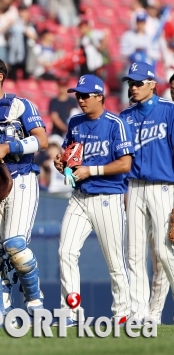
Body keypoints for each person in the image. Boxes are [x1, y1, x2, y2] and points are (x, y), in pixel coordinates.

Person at [51, 74, 133, 326]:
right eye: (78, 94)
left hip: (107, 197)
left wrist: (91, 170)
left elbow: (125, 163)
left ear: (100, 97)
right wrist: (61, 163)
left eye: (86, 95)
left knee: (115, 260)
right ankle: (71, 311)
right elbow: (69, 156)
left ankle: (122, 314)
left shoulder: (114, 123)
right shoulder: (75, 121)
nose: (81, 99)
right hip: (80, 196)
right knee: (65, 251)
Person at [0, 56, 47, 321]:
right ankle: (1, 313)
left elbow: (42, 140)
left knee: (15, 246)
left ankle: (35, 303)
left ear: (0, 76)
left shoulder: (20, 105)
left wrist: (10, 147)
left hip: (22, 177)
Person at [120, 62, 174, 324]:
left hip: (164, 186)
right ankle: (139, 314)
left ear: (152, 84)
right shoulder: (125, 117)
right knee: (134, 253)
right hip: (134, 188)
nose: (133, 87)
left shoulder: (169, 111)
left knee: (164, 252)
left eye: (139, 82)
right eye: (131, 82)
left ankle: (155, 311)